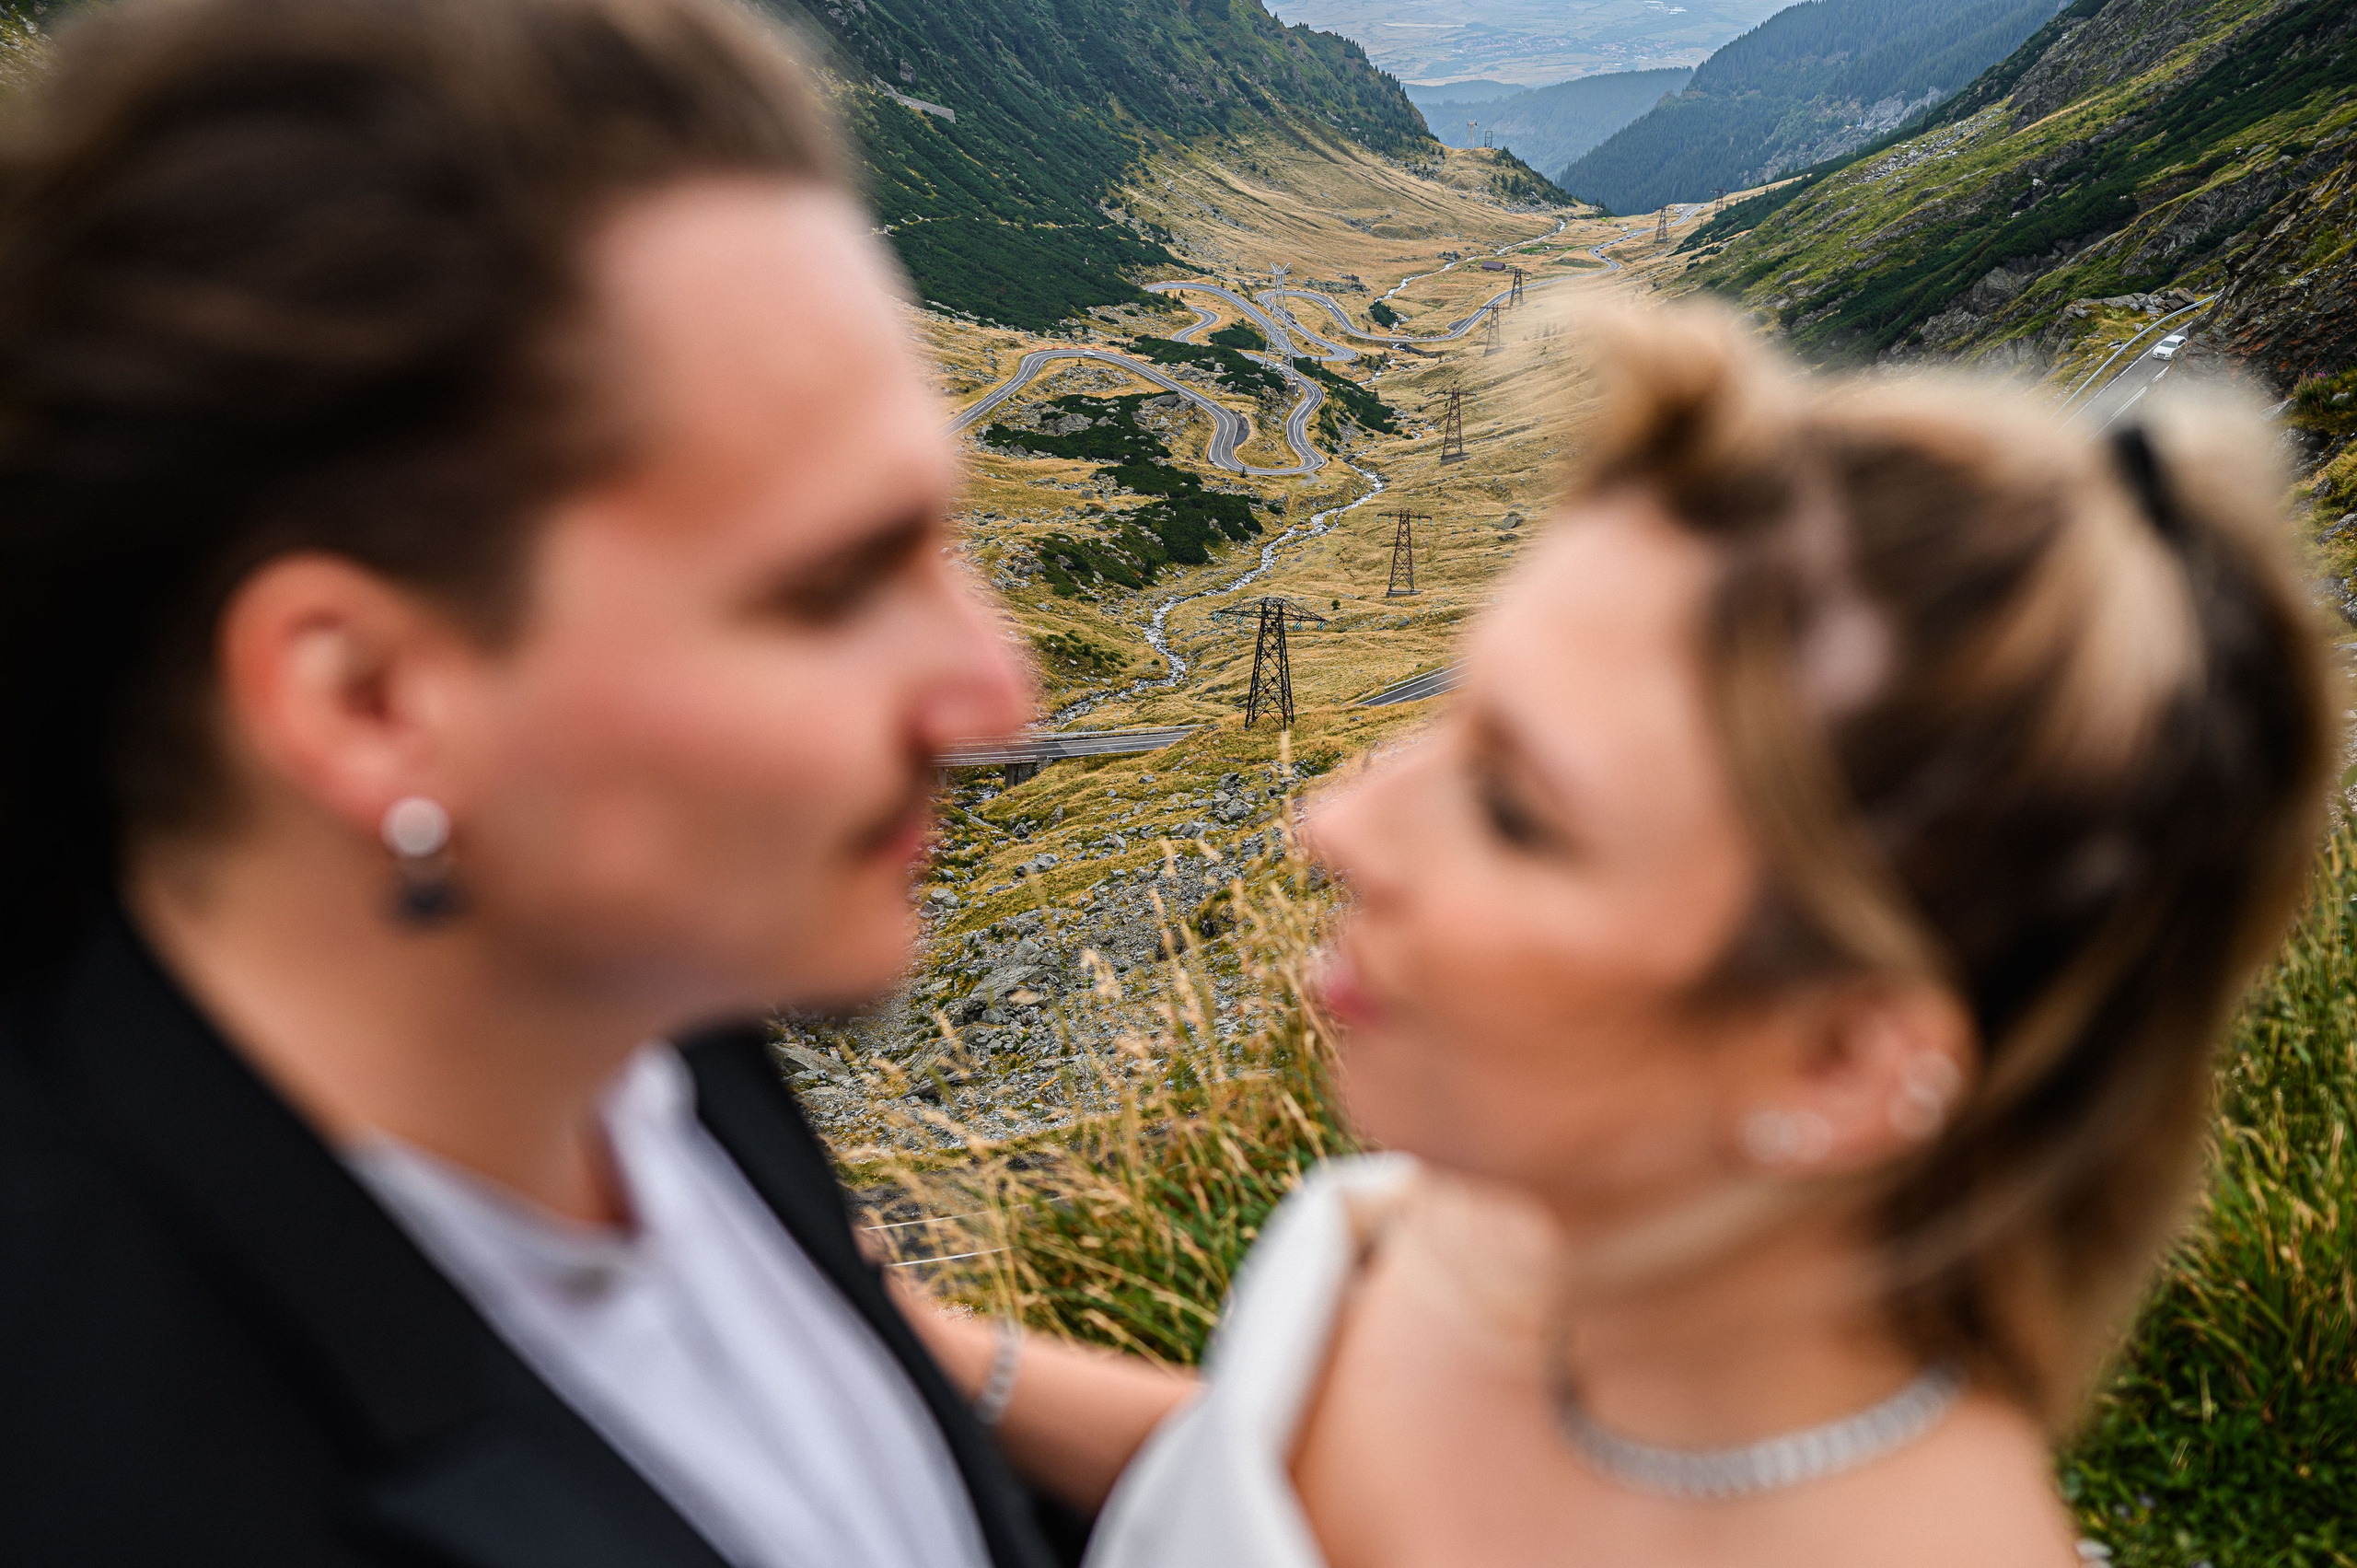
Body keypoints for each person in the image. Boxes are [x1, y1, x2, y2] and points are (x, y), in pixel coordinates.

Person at [0, 0, 1174, 1562]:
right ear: (366, 701)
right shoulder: (129, 1476)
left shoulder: (629, 995)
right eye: (830, 589)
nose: (999, 697)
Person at [931, 305, 2340, 1566]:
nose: (1333, 827)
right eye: (1448, 721)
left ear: (1842, 1061)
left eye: (1516, 808)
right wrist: (927, 1350)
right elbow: (1264, 1475)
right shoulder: (1509, 1221)